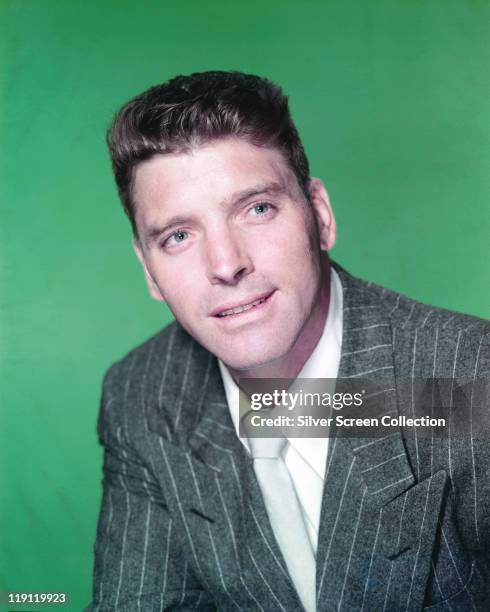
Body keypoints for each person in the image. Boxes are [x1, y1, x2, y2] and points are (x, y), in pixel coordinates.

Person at [87, 71, 489, 611]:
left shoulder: (470, 380)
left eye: (257, 208)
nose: (226, 264)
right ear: (149, 271)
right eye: (178, 236)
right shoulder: (141, 395)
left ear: (319, 216)